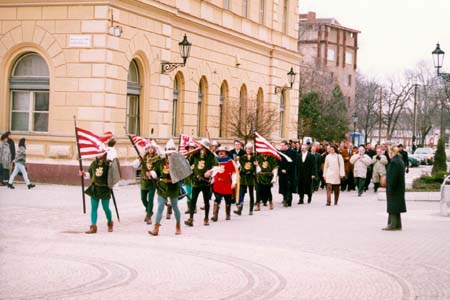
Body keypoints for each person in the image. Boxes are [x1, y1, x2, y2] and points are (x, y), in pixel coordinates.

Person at [148, 139, 182, 236]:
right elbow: (156, 172)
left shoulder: (177, 162)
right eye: (168, 153)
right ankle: (156, 228)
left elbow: (181, 175)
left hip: (173, 186)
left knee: (175, 207)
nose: (170, 155)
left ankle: (178, 225)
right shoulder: (161, 161)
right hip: (162, 186)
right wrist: (151, 173)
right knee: (160, 207)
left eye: (172, 153)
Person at [184, 138, 218, 227]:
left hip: (205, 182)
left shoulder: (211, 155)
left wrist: (210, 171)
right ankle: (191, 218)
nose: (200, 147)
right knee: (193, 200)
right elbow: (188, 164)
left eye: (202, 146)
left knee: (206, 201)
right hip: (196, 181)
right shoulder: (195, 154)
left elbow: (216, 167)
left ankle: (206, 218)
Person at [81, 152, 114, 234]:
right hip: (95, 188)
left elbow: (113, 176)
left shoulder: (108, 164)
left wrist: (112, 184)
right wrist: (84, 174)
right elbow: (90, 174)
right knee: (94, 208)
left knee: (106, 208)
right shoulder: (93, 163)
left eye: (101, 153)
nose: (99, 155)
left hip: (105, 189)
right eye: (98, 153)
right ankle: (93, 227)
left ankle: (110, 222)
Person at [134, 141, 161, 225]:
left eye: (152, 148)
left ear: (154, 149)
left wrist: (152, 173)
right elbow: (135, 166)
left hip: (152, 182)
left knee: (150, 199)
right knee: (143, 199)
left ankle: (149, 216)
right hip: (144, 181)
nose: (150, 150)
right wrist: (139, 159)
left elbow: (157, 169)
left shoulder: (157, 159)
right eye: (149, 148)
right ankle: (149, 210)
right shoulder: (144, 157)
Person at [383, 145, 406, 231]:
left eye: (389, 152)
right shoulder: (400, 160)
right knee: (397, 206)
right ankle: (397, 224)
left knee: (392, 206)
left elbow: (393, 177)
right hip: (399, 188)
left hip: (394, 188)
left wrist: (390, 187)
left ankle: (392, 224)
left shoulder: (394, 162)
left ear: (392, 152)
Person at [210, 146, 237, 221]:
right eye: (219, 151)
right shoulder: (216, 161)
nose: (221, 153)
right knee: (217, 199)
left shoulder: (230, 161)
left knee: (228, 200)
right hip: (218, 183)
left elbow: (234, 173)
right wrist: (212, 179)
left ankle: (228, 214)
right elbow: (214, 171)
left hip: (227, 184)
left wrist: (234, 182)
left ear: (226, 153)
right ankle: (215, 216)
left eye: (223, 151)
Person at [234, 143, 257, 215]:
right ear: (245, 149)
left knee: (251, 194)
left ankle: (251, 210)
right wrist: (237, 160)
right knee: (242, 194)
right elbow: (240, 166)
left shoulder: (254, 157)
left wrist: (256, 165)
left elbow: (257, 169)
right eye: (247, 149)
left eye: (250, 149)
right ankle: (240, 209)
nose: (248, 150)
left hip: (251, 177)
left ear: (251, 149)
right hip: (244, 177)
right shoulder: (242, 157)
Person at [278, 140, 296, 207]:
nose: (281, 147)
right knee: (283, 187)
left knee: (288, 187)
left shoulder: (292, 152)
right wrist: (281, 169)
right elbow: (279, 162)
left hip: (289, 173)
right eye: (281, 145)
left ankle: (288, 201)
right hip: (281, 173)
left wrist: (286, 170)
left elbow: (293, 163)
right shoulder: (280, 152)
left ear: (286, 145)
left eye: (283, 145)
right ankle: (285, 199)